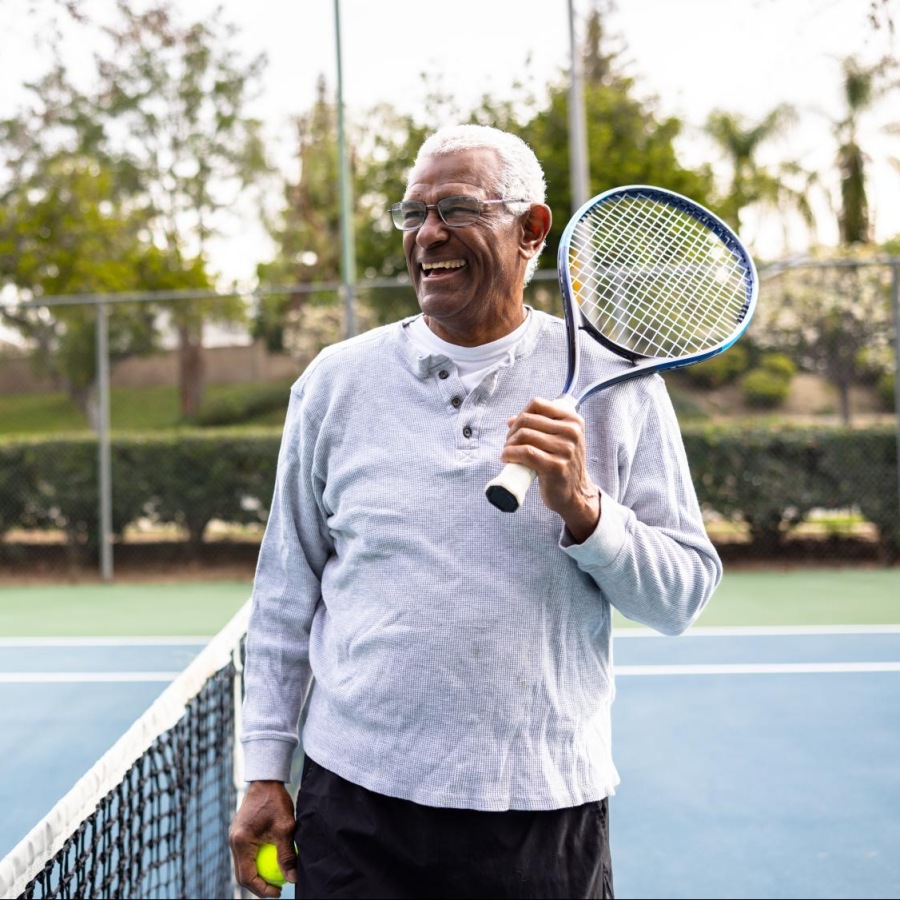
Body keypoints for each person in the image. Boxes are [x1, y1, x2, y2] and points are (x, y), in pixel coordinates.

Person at [229, 123, 722, 899]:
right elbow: (285, 595)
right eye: (412, 214)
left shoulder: (621, 387)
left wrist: (586, 513)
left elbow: (682, 596)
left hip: (541, 809)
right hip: (355, 805)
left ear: (531, 230)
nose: (428, 234)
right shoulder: (335, 383)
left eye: (456, 208)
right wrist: (263, 769)